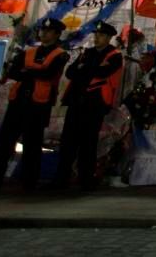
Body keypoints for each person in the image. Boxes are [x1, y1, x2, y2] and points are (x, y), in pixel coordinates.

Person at [0, 18, 69, 190]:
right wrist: (32, 72)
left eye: (48, 31)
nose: (43, 33)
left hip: (39, 103)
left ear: (57, 34)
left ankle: (29, 181)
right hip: (19, 100)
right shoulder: (28, 52)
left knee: (32, 143)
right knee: (5, 141)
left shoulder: (60, 54)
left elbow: (48, 74)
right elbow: (15, 71)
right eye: (42, 30)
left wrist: (27, 71)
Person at [53, 21, 124, 191]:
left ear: (108, 38)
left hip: (95, 104)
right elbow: (71, 72)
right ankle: (61, 179)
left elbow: (102, 73)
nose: (96, 38)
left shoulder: (114, 55)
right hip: (76, 101)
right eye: (96, 35)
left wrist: (84, 69)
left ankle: (85, 179)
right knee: (68, 142)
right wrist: (86, 68)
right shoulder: (87, 53)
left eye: (100, 35)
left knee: (88, 143)